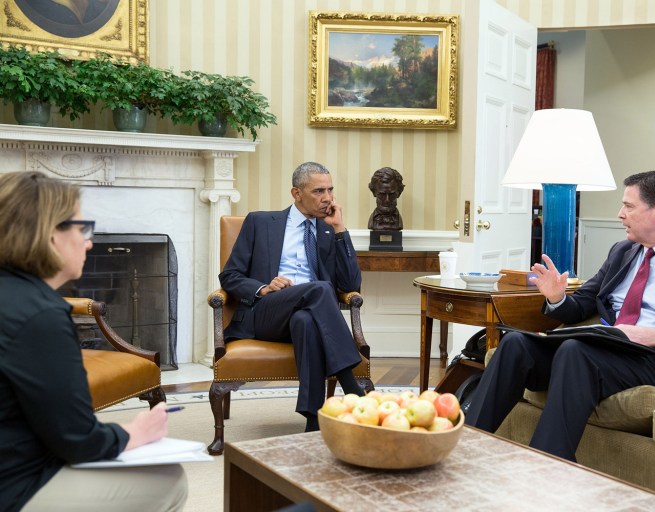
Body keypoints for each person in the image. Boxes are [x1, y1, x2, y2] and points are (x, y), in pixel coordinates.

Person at [465, 170, 655, 462]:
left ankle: (545, 468)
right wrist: (557, 298)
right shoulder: (623, 251)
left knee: (576, 351)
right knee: (514, 345)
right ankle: (466, 450)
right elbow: (584, 303)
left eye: (629, 206)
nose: (620, 214)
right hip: (607, 349)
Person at [0, 171, 187, 512]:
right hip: (12, 487)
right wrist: (136, 431)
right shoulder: (39, 315)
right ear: (49, 234)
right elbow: (77, 440)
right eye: (82, 228)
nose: (89, 242)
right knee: (168, 479)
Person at [219, 161, 366, 432]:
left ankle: (313, 420)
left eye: (330, 190)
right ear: (296, 193)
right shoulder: (260, 222)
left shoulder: (327, 231)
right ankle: (351, 386)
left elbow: (350, 283)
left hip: (311, 317)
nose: (328, 198)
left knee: (305, 321)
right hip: (265, 313)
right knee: (321, 288)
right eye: (318, 191)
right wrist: (263, 287)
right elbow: (230, 276)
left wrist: (339, 230)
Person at [367, 167, 405, 231]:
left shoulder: (398, 222)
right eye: (382, 194)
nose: (387, 200)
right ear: (374, 192)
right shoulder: (372, 222)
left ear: (399, 193)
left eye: (392, 194)